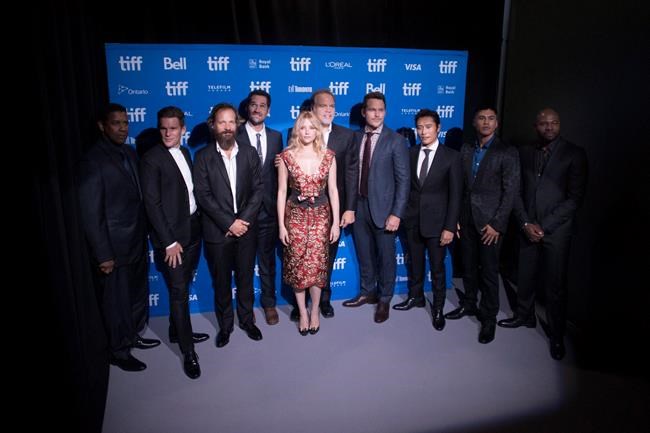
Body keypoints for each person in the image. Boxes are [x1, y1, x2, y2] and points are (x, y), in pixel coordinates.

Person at [497, 108, 588, 360]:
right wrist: (526, 223)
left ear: (559, 125)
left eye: (554, 123)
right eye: (544, 123)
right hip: (527, 226)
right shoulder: (524, 152)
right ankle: (523, 316)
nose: (549, 127)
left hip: (556, 231)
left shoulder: (574, 154)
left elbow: (574, 199)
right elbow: (515, 191)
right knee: (525, 276)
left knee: (555, 286)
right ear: (535, 126)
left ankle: (556, 335)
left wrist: (544, 226)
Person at [77, 103, 160, 372]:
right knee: (116, 302)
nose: (123, 128)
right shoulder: (93, 160)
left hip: (136, 241)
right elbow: (91, 212)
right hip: (114, 247)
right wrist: (103, 254)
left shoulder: (129, 152)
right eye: (116, 123)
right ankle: (119, 351)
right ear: (102, 126)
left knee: (136, 295)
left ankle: (133, 335)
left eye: (125, 123)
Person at [139, 106, 210, 379]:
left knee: (183, 284)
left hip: (193, 230)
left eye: (173, 128)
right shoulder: (151, 159)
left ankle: (176, 330)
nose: (167, 133)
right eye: (163, 128)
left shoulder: (185, 152)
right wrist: (169, 242)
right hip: (172, 240)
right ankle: (188, 351)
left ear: (183, 130)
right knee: (179, 292)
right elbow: (152, 204)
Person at [445, 106, 519, 344]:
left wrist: (497, 224)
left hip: (491, 225)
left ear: (497, 123)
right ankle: (468, 304)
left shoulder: (507, 152)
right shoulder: (467, 149)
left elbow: (511, 192)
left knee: (488, 272)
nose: (486, 122)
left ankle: (488, 318)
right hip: (466, 219)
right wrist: (456, 217)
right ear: (474, 123)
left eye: (491, 118)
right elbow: (460, 187)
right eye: (481, 118)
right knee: (468, 267)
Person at [193, 103, 263, 348]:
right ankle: (225, 326)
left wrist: (242, 221)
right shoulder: (202, 157)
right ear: (213, 125)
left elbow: (258, 190)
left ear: (237, 124)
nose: (227, 127)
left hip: (246, 229)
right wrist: (229, 223)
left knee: (245, 279)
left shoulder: (250, 153)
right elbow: (203, 196)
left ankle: (247, 321)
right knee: (221, 282)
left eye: (231, 122)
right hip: (218, 231)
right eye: (221, 122)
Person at [287, 89, 358, 322]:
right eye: (323, 106)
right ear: (312, 108)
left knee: (326, 257)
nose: (328, 110)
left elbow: (351, 175)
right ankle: (300, 305)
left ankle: (323, 300)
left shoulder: (347, 136)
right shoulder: (295, 133)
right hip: (299, 210)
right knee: (299, 258)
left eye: (332, 106)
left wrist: (349, 208)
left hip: (330, 209)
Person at [342, 92, 410, 323]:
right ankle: (367, 292)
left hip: (385, 210)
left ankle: (384, 298)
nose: (377, 114)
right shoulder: (354, 137)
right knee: (364, 254)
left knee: (387, 257)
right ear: (364, 112)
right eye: (372, 110)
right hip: (358, 207)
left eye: (381, 110)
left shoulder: (396, 140)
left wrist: (396, 213)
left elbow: (403, 181)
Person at [395, 109, 462, 332]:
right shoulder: (410, 153)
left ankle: (438, 307)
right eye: (420, 127)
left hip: (438, 224)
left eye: (428, 127)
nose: (423, 132)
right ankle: (416, 297)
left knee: (437, 269)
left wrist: (449, 227)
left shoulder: (451, 156)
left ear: (438, 128)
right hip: (412, 221)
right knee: (415, 264)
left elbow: (456, 196)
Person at [277, 111, 340, 335]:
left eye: (311, 127)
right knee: (297, 266)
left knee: (317, 266)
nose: (306, 132)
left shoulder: (329, 156)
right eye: (302, 127)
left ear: (317, 130)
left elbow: (333, 190)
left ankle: (314, 311)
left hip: (321, 217)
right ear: (297, 130)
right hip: (294, 217)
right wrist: (281, 225)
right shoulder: (286, 156)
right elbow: (281, 191)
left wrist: (335, 223)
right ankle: (302, 312)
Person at [236, 90, 284, 326]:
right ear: (248, 108)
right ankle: (245, 308)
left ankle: (269, 303)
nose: (257, 109)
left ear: (268, 110)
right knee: (243, 265)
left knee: (267, 262)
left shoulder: (276, 137)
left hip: (268, 211)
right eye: (253, 105)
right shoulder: (235, 134)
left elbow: (278, 175)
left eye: (262, 105)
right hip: (243, 212)